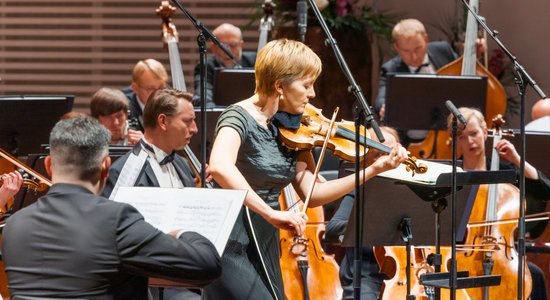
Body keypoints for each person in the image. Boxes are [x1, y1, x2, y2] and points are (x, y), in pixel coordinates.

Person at [204, 39, 408, 300]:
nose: (312, 94)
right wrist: (270, 212)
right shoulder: (237, 116)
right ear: (279, 85)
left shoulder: (292, 128)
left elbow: (314, 193)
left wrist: (374, 169)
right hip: (229, 237)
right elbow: (220, 166)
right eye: (306, 85)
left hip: (265, 236)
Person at [2, 116, 221, 299]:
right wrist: (181, 232)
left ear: (48, 165)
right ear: (106, 167)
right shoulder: (115, 220)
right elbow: (207, 264)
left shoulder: (14, 226)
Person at [102, 88, 208, 300]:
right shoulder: (126, 171)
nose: (195, 129)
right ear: (163, 121)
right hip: (152, 283)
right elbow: (113, 238)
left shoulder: (181, 163)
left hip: (185, 271)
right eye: (188, 121)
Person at [448, 107, 550, 300]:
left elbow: (545, 189)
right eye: (461, 137)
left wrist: (517, 159)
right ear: (455, 140)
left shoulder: (504, 171)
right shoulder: (452, 176)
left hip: (502, 254)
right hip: (461, 253)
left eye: (474, 133)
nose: (469, 141)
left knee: (534, 274)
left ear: (485, 132)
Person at [325, 126, 400, 300]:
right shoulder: (358, 187)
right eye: (378, 155)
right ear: (365, 160)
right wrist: (375, 223)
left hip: (403, 271)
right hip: (366, 275)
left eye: (390, 154)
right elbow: (333, 228)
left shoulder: (410, 187)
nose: (387, 162)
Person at [192, 23, 256, 107]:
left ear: (241, 45)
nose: (228, 50)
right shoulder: (205, 66)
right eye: (223, 45)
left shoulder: (254, 61)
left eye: (233, 44)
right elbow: (203, 98)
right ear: (213, 47)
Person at [123, 58, 169, 132]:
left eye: (161, 87)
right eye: (151, 89)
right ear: (135, 88)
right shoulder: (123, 108)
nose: (158, 93)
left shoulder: (173, 104)